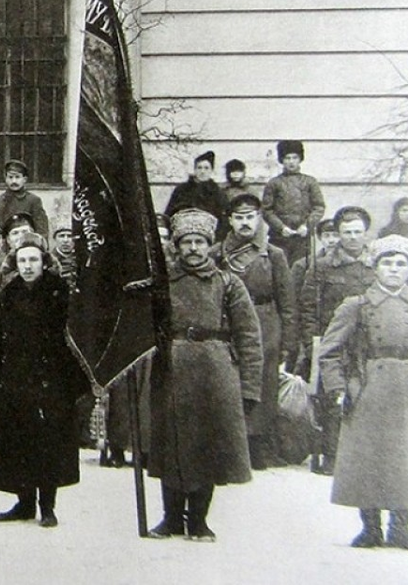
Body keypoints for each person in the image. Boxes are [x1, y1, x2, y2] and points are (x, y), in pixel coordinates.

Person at [148, 209, 262, 542]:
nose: (194, 248)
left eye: (199, 242)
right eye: (187, 243)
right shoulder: (163, 283)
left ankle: (198, 519)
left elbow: (249, 337)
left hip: (216, 371)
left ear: (209, 245)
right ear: (178, 247)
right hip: (172, 367)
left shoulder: (228, 283)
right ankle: (170, 518)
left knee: (207, 447)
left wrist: (250, 387)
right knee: (173, 444)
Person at [318, 235, 408, 552]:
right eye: (387, 263)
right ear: (375, 267)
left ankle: (401, 528)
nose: (394, 270)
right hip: (369, 385)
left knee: (407, 456)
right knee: (368, 457)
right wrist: (339, 388)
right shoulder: (356, 306)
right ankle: (370, 528)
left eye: (401, 264)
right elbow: (329, 352)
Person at [0, 231, 86, 527]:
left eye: (33, 260)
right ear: (15, 262)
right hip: (16, 378)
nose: (28, 266)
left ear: (44, 262)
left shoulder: (59, 291)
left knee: (48, 442)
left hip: (51, 379)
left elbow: (72, 338)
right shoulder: (7, 294)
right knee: (18, 441)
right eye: (22, 260)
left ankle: (47, 506)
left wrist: (72, 381)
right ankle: (24, 503)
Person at [213, 193, 295, 470]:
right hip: (229, 323)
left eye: (250, 217)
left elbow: (287, 302)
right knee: (230, 381)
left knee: (264, 383)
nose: (245, 223)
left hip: (265, 324)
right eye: (239, 217)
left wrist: (287, 341)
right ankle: (230, 444)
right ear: (230, 220)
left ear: (259, 218)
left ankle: (258, 445)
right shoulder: (217, 254)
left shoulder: (274, 255)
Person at [297, 205, 376, 475]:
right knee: (331, 398)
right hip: (332, 342)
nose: (352, 237)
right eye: (346, 232)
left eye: (358, 232)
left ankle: (363, 458)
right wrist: (311, 343)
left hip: (368, 343)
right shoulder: (322, 266)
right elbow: (307, 306)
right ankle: (331, 456)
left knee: (365, 395)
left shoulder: (377, 262)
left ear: (366, 233)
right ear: (338, 233)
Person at [262, 140, 325, 265]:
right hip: (279, 238)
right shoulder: (274, 183)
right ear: (281, 160)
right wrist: (281, 227)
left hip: (302, 238)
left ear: (300, 159)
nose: (291, 162)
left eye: (295, 157)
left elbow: (319, 207)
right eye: (287, 158)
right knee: (280, 269)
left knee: (302, 269)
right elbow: (266, 210)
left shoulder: (310, 182)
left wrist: (307, 225)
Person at [0, 160, 49, 238]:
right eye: (10, 177)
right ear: (6, 179)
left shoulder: (33, 200)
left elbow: (41, 229)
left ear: (24, 179)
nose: (14, 181)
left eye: (17, 177)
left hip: (26, 244)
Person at [165, 151, 228, 223]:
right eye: (199, 168)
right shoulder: (181, 190)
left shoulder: (217, 192)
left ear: (211, 171)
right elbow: (169, 213)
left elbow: (223, 218)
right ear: (194, 170)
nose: (202, 171)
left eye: (206, 168)